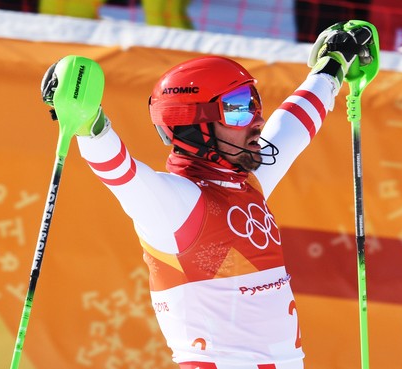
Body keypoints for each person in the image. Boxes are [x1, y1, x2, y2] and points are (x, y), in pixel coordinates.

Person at [40, 21, 374, 369]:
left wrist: (332, 67)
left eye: (255, 104)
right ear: (194, 124)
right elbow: (123, 176)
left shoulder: (244, 184)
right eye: (239, 107)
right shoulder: (180, 206)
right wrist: (90, 124)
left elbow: (292, 127)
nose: (256, 120)